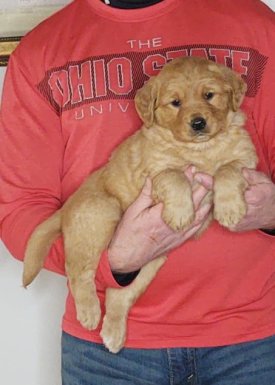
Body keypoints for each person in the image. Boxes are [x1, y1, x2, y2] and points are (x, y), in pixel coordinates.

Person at [1, 0, 275, 383]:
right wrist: (113, 261)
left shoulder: (254, 22)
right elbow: (20, 211)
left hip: (253, 339)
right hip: (106, 356)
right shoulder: (41, 50)